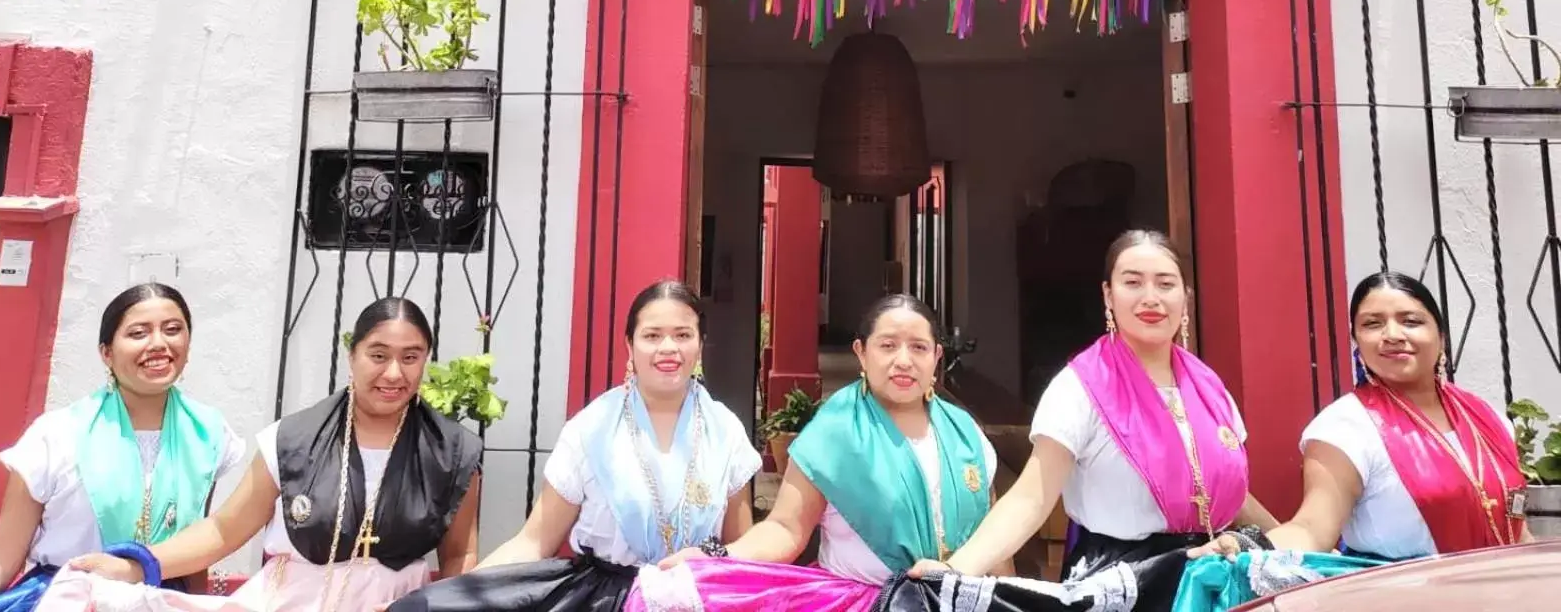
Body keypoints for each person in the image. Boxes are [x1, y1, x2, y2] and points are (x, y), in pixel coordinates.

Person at [903, 230, 1278, 612]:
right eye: (1132, 282)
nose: (1150, 297)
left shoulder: (1208, 387)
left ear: (1186, 299)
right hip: (1125, 584)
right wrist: (955, 569)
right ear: (1107, 295)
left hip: (1216, 580)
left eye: (1165, 284)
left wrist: (1293, 541)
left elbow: (1226, 490)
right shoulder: (1081, 388)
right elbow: (1033, 497)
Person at [38, 297, 482, 612]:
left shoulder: (453, 452)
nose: (393, 372)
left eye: (411, 357)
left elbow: (459, 555)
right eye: (378, 355)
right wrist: (138, 565)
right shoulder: (291, 440)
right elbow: (224, 530)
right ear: (353, 357)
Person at [390, 280, 760, 612]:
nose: (668, 348)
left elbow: (742, 548)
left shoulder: (724, 430)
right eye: (652, 335)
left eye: (683, 334)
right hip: (607, 599)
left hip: (700, 599)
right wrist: (447, 597)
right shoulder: (591, 430)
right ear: (629, 345)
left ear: (699, 343)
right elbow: (534, 542)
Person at [1175, 270, 1532, 611]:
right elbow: (1313, 527)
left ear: (1441, 336)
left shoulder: (1487, 419)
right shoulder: (1345, 427)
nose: (1391, 334)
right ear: (1357, 340)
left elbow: (1516, 531)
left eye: (1410, 321)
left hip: (1509, 596)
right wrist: (1248, 545)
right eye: (1372, 324)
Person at [644, 292, 1000, 612]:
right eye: (888, 346)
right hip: (862, 602)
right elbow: (786, 529)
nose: (904, 361)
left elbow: (996, 537)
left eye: (919, 348)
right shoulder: (833, 433)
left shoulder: (965, 434)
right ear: (861, 352)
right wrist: (715, 557)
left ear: (937, 356)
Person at [0, 284, 244, 612]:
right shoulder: (57, 436)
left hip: (162, 601)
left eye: (173, 330)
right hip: (67, 601)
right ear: (106, 353)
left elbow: (197, 548)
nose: (158, 344)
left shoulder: (208, 434)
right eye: (138, 333)